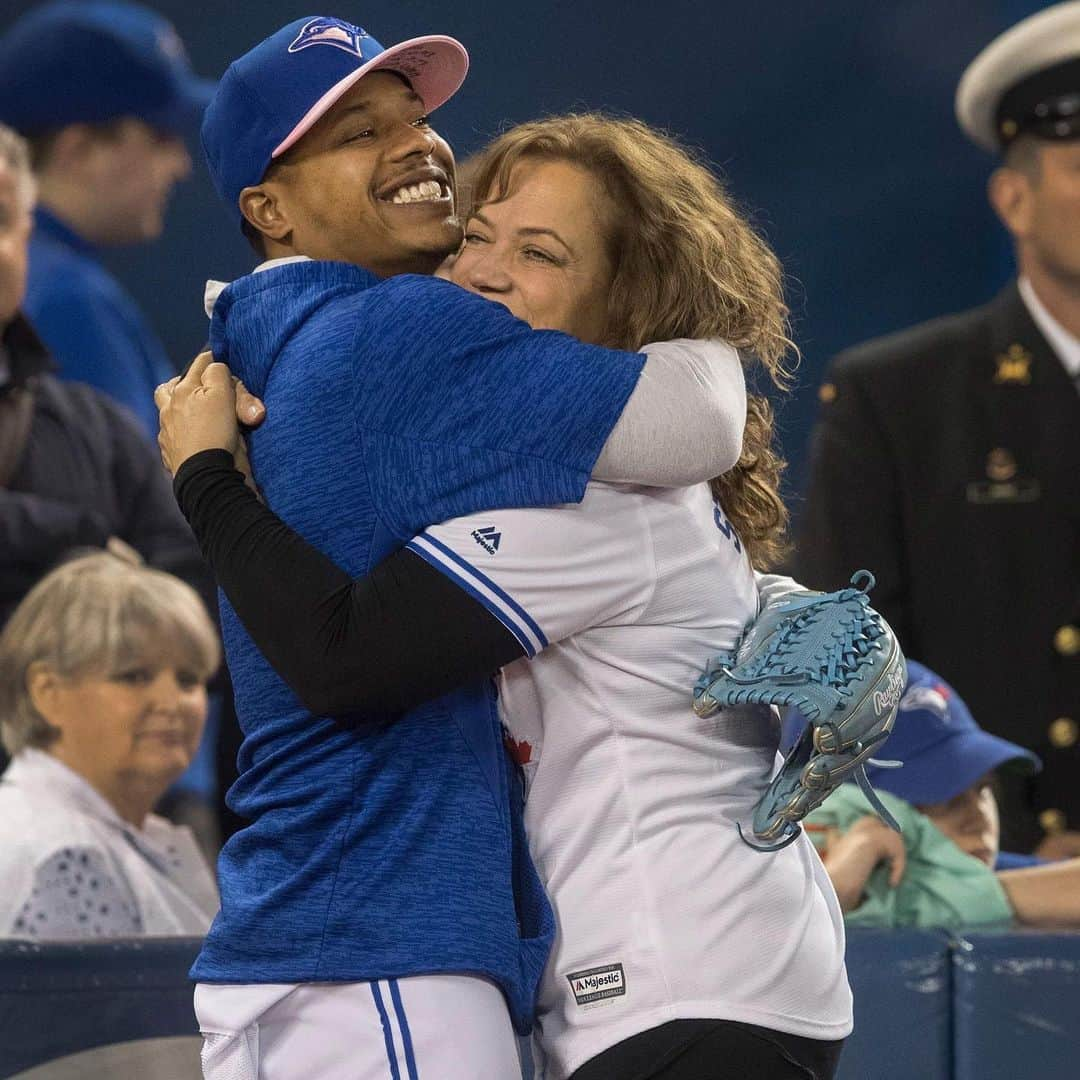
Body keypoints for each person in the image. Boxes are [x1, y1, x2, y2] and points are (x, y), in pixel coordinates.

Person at [160, 111, 851, 1079]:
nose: (484, 270)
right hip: (698, 979)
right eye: (478, 234)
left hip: (684, 983)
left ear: (621, 306)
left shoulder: (604, 501)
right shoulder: (594, 481)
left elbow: (341, 655)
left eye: (541, 254)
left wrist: (206, 478)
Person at [795, 1, 1080, 858]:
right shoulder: (898, 399)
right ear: (1014, 198)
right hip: (987, 889)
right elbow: (848, 672)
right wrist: (1003, 844)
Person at [0, 0, 214, 437]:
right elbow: (137, 500)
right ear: (78, 148)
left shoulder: (43, 273)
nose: (180, 164)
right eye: (160, 136)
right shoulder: (64, 296)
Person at [0, 551, 220, 939]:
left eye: (188, 679)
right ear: (47, 692)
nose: (172, 704)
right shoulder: (63, 854)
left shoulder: (116, 832)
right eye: (134, 676)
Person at [804, 660, 1080, 930]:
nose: (978, 818)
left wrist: (961, 897)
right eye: (943, 797)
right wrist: (841, 880)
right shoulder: (787, 880)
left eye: (982, 788)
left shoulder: (984, 867)